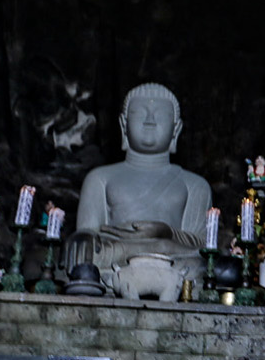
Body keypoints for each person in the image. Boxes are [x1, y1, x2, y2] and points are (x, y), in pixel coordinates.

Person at [71, 83, 213, 294]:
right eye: (140, 114)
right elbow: (87, 237)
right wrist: (85, 241)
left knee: (206, 266)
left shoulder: (195, 185)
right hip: (115, 255)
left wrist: (165, 234)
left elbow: (203, 245)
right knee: (85, 256)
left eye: (161, 115)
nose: (149, 120)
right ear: (123, 125)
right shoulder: (100, 178)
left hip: (172, 258)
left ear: (176, 129)